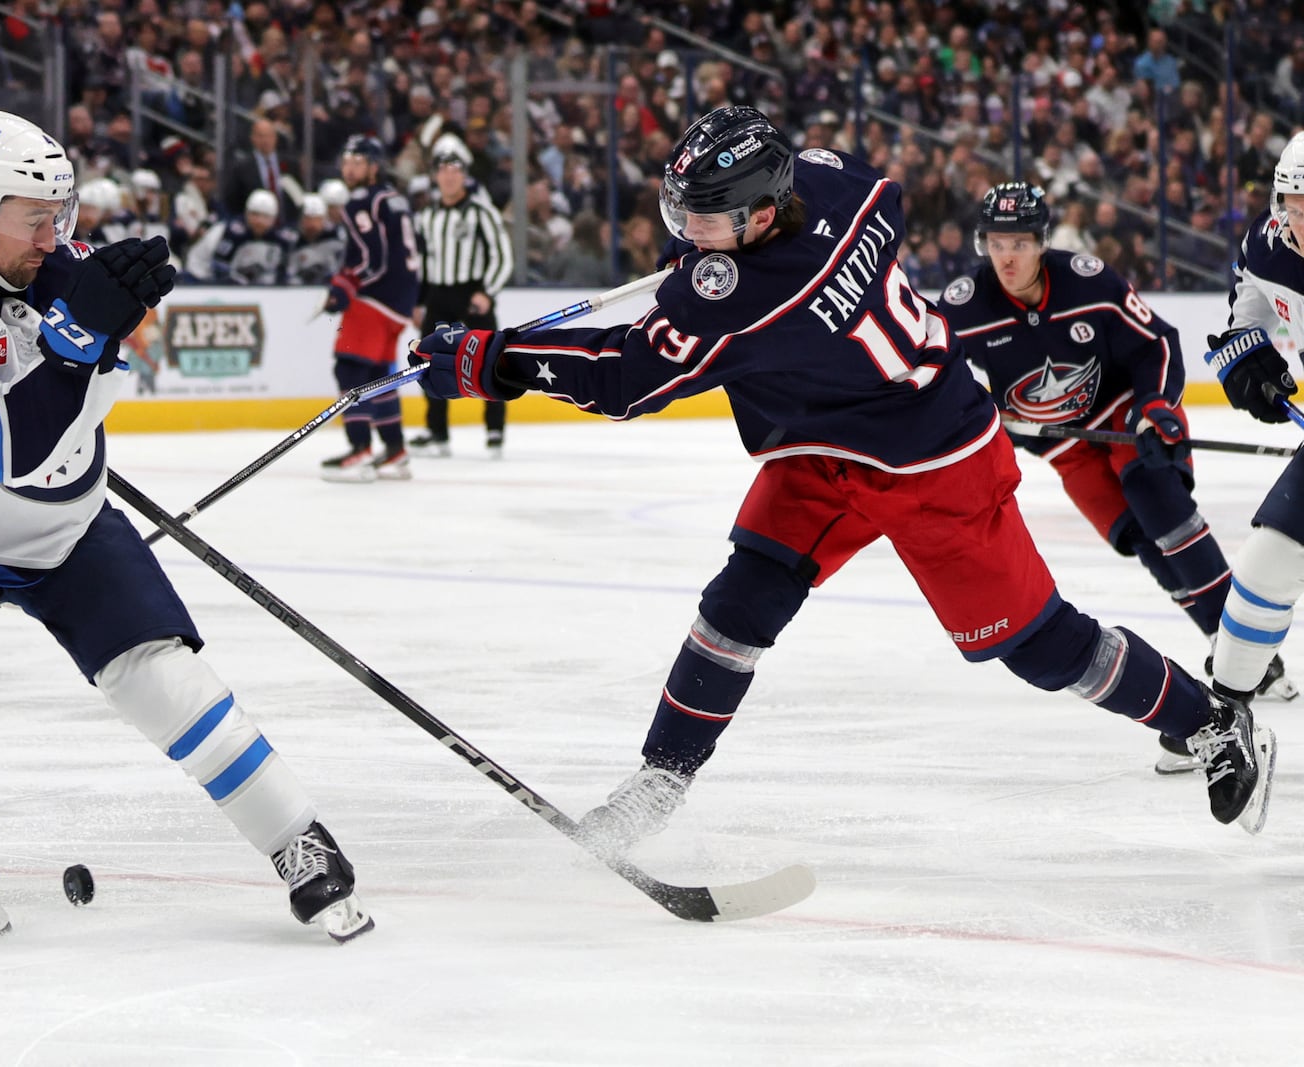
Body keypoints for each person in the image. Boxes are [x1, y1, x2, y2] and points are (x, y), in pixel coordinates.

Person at [409, 106, 1277, 853]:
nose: (688, 238)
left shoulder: (751, 299)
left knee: (1037, 643)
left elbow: (622, 377)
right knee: (739, 601)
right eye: (688, 218)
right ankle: (659, 784)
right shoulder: (833, 185)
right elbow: (874, 196)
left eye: (707, 223)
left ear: (759, 215)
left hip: (933, 459)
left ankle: (1208, 721)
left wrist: (487, 358)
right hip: (828, 440)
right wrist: (706, 263)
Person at [0, 110, 372, 949]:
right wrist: (78, 335)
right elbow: (6, 448)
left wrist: (91, 325)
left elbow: (72, 395)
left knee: (162, 678)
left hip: (60, 535)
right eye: (35, 217)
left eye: (59, 217)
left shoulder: (59, 271)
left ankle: (296, 837)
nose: (54, 237)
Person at [937, 181, 1295, 775]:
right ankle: (1241, 648)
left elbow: (1158, 341)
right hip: (1068, 448)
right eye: (997, 242)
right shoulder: (961, 307)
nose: (1008, 256)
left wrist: (1156, 407)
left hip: (1131, 417)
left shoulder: (1086, 280)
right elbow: (934, 377)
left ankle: (1243, 656)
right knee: (1139, 539)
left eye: (1020, 242)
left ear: (1041, 242)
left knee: (1162, 511)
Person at [1204, 130, 1304, 730]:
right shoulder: (1270, 249)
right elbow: (1247, 305)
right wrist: (1245, 357)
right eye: (1298, 203)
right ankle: (1222, 716)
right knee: (1266, 561)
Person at [319, 135, 420, 482]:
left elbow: (372, 260)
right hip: (399, 302)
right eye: (346, 161)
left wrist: (346, 283)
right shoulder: (396, 200)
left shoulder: (362, 200)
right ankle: (395, 451)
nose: (349, 168)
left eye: (357, 161)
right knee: (378, 374)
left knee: (349, 369)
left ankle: (360, 449)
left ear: (374, 167)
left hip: (375, 299)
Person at [410, 137, 514, 460]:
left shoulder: (481, 213)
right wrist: (419, 300)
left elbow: (502, 256)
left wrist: (487, 292)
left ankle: (494, 430)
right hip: (439, 296)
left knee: (490, 359)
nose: (449, 175)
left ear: (465, 174)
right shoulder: (427, 215)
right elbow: (423, 261)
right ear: (435, 176)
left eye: (454, 169)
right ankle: (437, 432)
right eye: (443, 169)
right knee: (429, 362)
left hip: (472, 294)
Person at [285, 193, 346, 286]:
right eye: (308, 219)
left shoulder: (336, 239)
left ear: (324, 219)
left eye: (317, 219)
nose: (312, 225)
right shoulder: (291, 241)